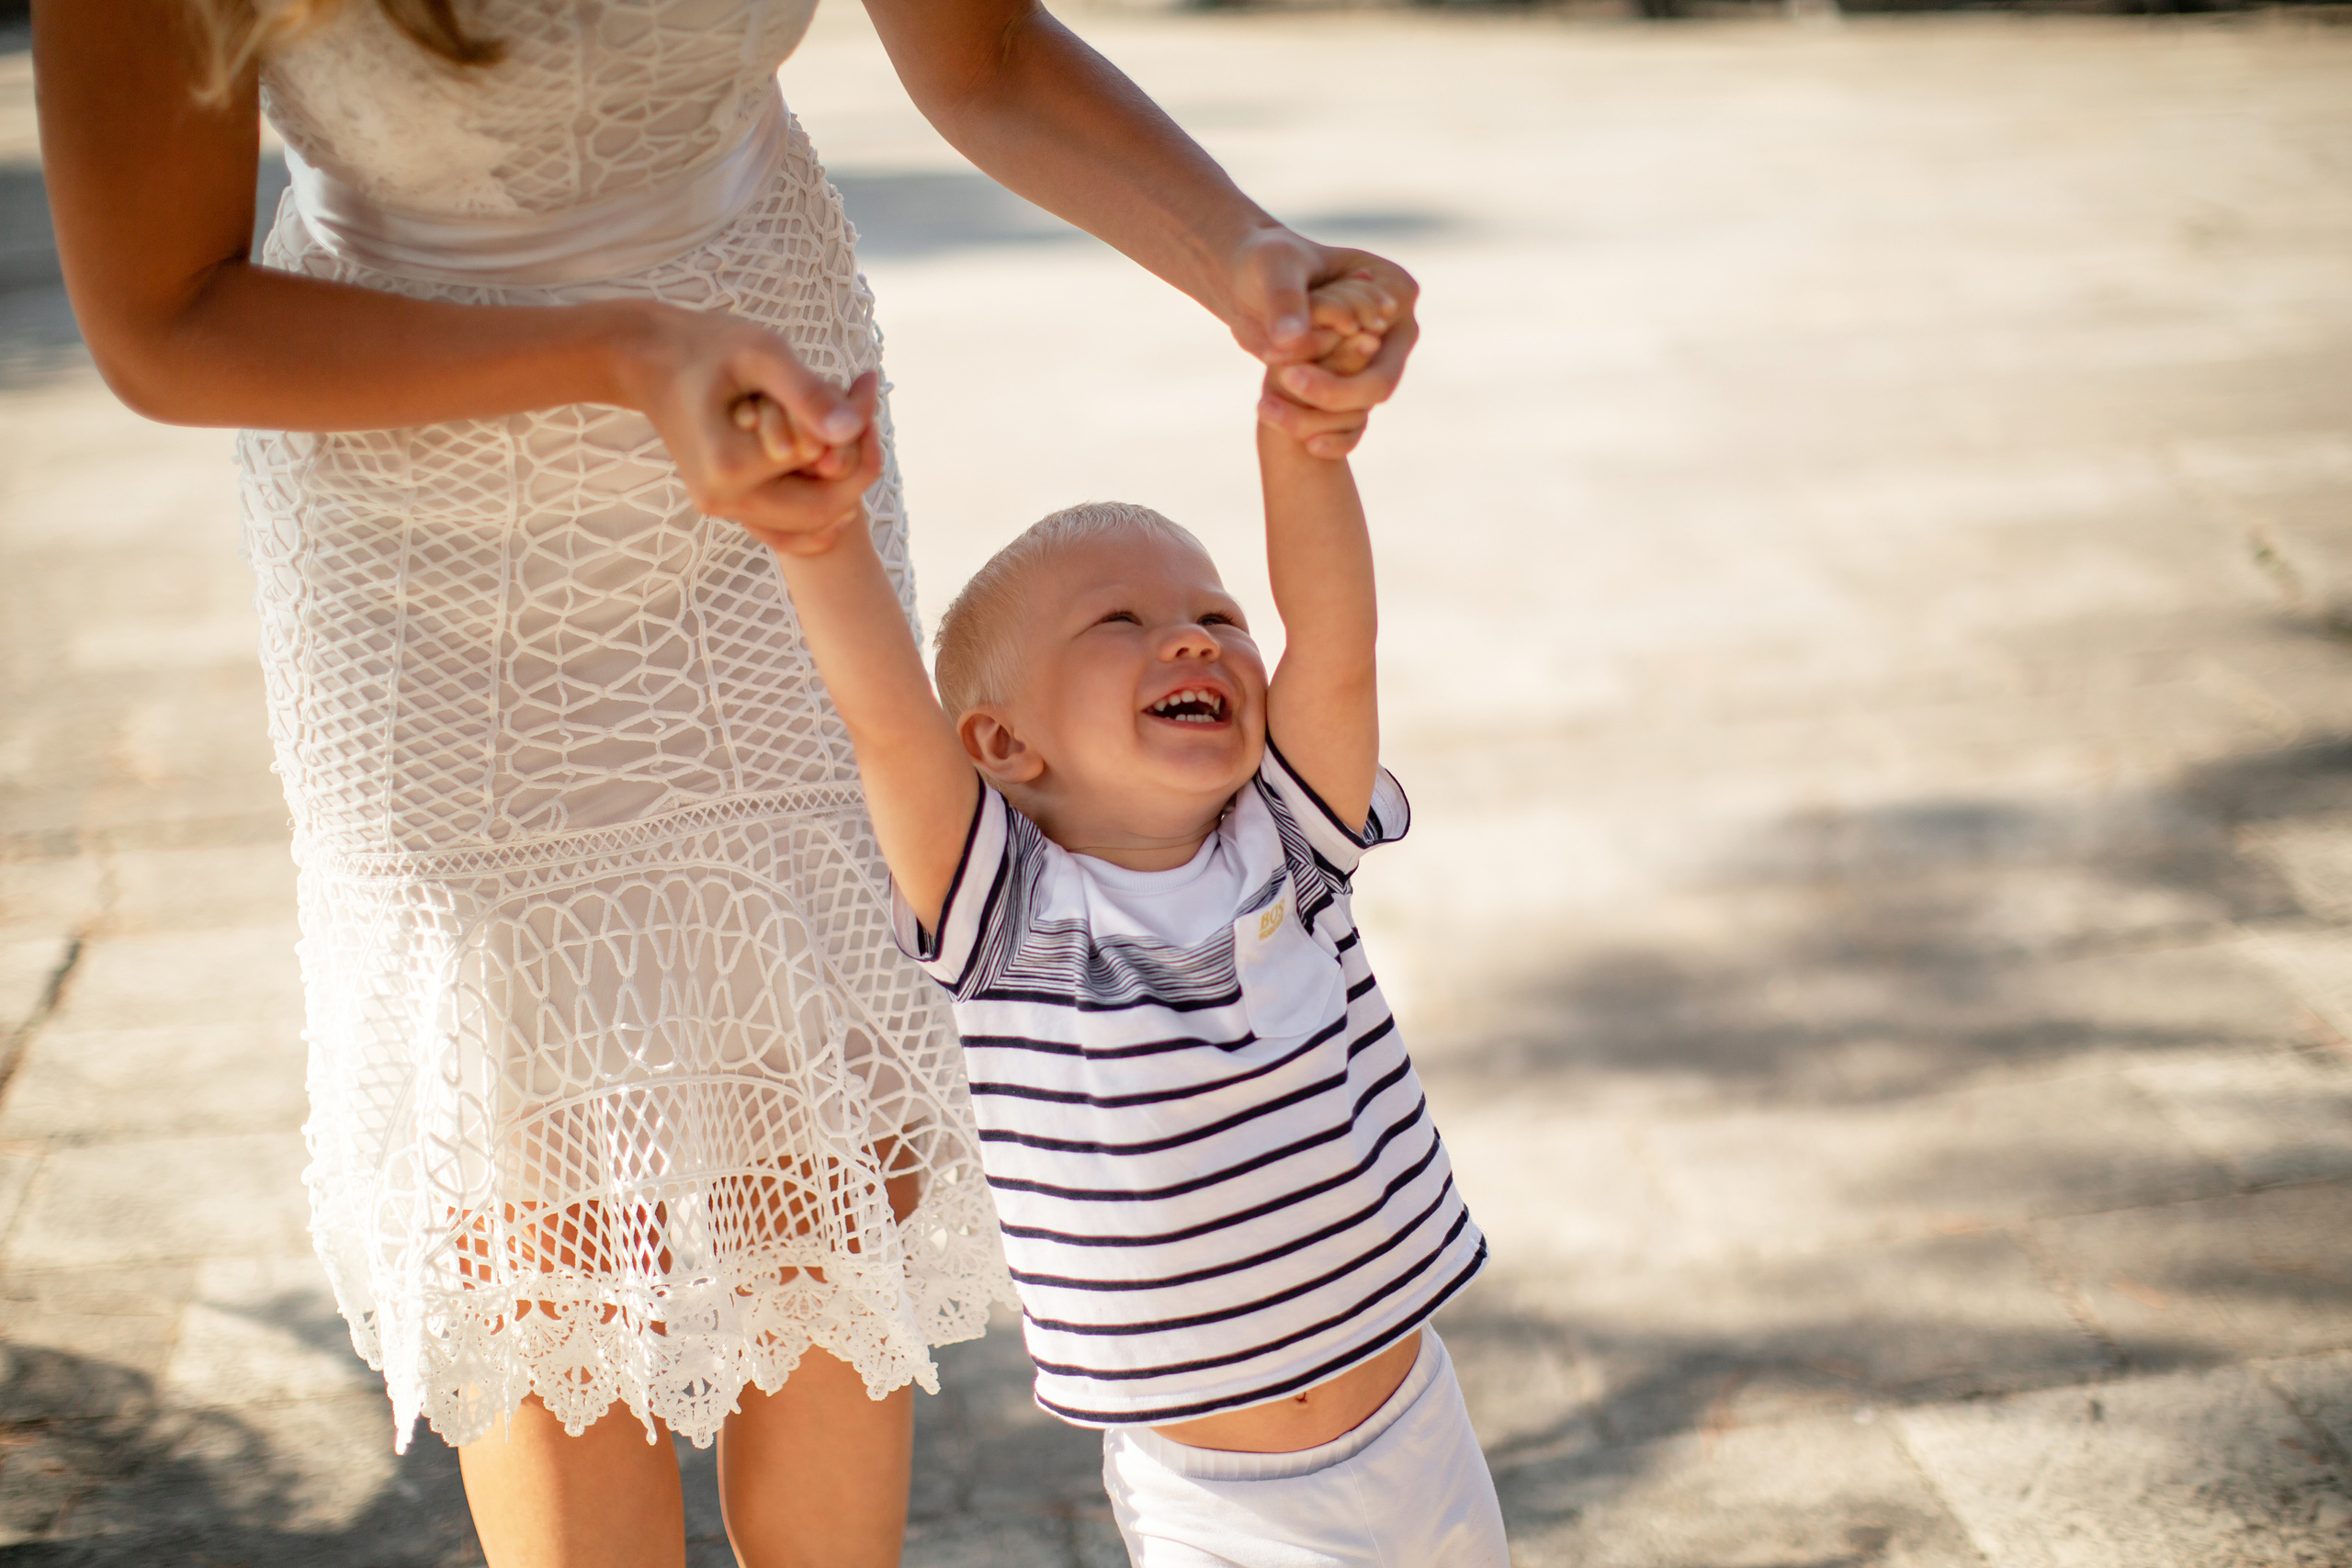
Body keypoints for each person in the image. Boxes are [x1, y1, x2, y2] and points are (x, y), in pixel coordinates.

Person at [31, 1, 1425, 1563]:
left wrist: (1241, 252)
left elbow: (987, 56)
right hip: (422, 529)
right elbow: (163, 319)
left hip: (783, 448)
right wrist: (626, 347)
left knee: (818, 1163)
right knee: (542, 1216)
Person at [754, 276, 1507, 1567]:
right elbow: (888, 721)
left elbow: (1333, 645)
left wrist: (1303, 444)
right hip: (1221, 1499)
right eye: (1124, 623)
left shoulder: (1289, 842)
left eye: (1215, 619)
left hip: (1419, 1432)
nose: (1193, 642)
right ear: (1002, 742)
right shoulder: (1005, 913)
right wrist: (822, 544)